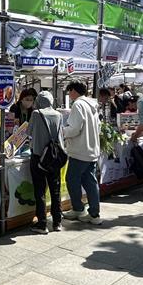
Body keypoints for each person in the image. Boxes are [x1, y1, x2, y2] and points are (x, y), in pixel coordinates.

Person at [60, 81, 102, 224]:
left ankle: (78, 208)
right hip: (91, 150)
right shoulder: (92, 105)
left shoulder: (78, 105)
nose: (69, 95)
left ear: (74, 91)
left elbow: (74, 128)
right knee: (90, 182)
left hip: (80, 150)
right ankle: (94, 214)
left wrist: (61, 132)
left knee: (72, 179)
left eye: (69, 91)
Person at [27, 91, 64, 233]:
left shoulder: (36, 114)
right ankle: (57, 222)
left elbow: (29, 132)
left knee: (40, 190)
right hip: (54, 156)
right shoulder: (59, 115)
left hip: (38, 156)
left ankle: (42, 223)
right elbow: (60, 135)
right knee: (55, 190)